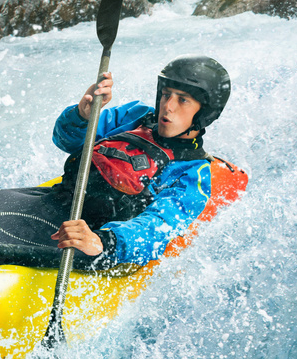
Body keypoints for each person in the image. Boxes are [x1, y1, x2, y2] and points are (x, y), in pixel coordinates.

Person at [49, 55, 231, 269]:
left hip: (97, 236)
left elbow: (158, 227)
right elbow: (66, 140)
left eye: (182, 100)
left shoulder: (192, 174)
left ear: (205, 113)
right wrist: (82, 116)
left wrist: (103, 242)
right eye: (165, 95)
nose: (168, 106)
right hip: (59, 201)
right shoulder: (136, 116)